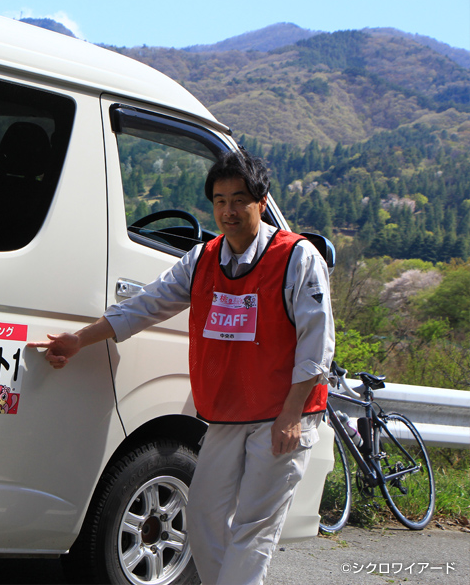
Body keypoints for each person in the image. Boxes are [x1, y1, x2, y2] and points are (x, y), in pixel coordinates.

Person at [28, 150, 334, 585]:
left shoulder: (297, 259)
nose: (228, 211)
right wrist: (80, 339)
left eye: (239, 200)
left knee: (254, 528)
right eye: (219, 200)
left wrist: (291, 415)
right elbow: (146, 305)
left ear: (262, 202)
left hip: (285, 414)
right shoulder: (203, 259)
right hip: (230, 412)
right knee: (203, 518)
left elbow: (318, 342)